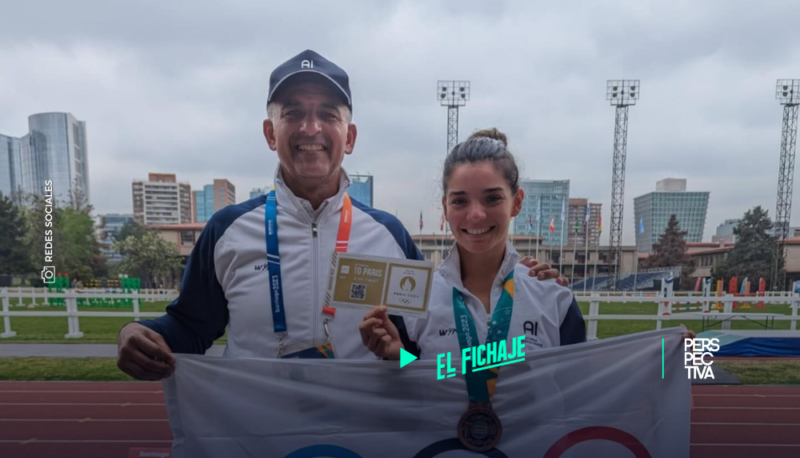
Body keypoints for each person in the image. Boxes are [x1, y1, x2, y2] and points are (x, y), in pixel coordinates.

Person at [116, 51, 564, 381]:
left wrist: (520, 282)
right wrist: (139, 332)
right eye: (294, 113)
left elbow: (420, 360)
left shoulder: (388, 235)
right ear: (271, 133)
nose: (311, 128)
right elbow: (192, 326)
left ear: (348, 137)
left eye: (327, 115)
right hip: (254, 442)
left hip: (363, 448)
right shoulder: (227, 230)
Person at [359, 128, 586, 361]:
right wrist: (398, 357)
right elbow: (421, 374)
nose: (476, 214)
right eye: (460, 201)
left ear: (516, 203)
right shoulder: (418, 300)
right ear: (446, 208)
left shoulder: (553, 296)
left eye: (492, 198)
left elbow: (577, 385)